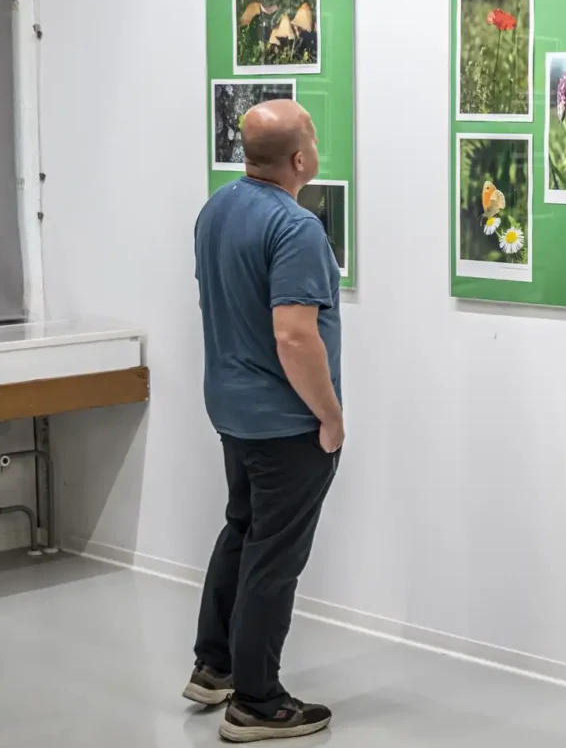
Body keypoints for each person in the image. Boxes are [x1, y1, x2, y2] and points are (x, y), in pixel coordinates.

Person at [184, 99, 344, 743]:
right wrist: (329, 418)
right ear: (301, 159)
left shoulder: (216, 208)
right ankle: (257, 701)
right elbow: (295, 336)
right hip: (284, 422)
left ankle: (214, 665)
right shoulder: (296, 227)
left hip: (231, 409)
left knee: (242, 530)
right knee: (274, 558)